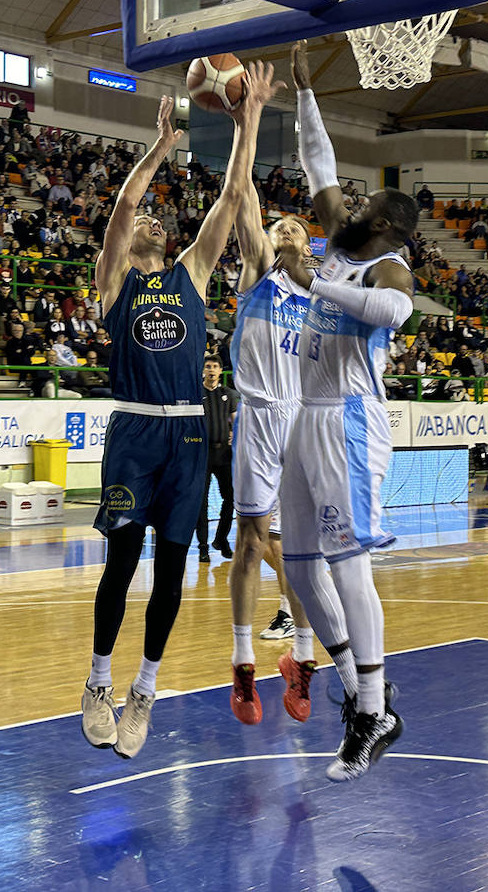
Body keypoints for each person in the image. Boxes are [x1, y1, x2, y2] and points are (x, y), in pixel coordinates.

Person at [81, 75, 277, 761]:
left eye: (158, 219)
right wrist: (161, 144)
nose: (151, 218)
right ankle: (98, 679)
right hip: (134, 429)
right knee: (122, 559)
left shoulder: (192, 272)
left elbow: (230, 198)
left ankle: (144, 688)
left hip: (190, 431)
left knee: (170, 568)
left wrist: (248, 118)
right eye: (143, 221)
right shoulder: (115, 281)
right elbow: (126, 200)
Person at [270, 41, 410, 781]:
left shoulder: (386, 265)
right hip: (304, 413)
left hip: (352, 419)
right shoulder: (336, 232)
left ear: (391, 228)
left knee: (349, 561)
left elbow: (392, 311)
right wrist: (305, 92)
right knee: (298, 564)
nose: (357, 206)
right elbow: (319, 162)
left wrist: (313, 285)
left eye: (373, 208)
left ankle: (375, 706)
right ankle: (361, 690)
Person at [222, 192, 319, 725]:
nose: (285, 231)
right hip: (260, 417)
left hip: (304, 420)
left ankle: (302, 659)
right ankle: (242, 665)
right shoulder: (259, 274)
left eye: (295, 229)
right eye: (277, 226)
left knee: (302, 550)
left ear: (310, 245)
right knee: (251, 542)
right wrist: (249, 119)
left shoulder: (322, 294)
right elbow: (243, 206)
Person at [197, 357, 237, 563]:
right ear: (203, 370)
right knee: (201, 502)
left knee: (231, 497)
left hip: (224, 455)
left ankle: (221, 539)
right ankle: (202, 546)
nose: (211, 370)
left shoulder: (228, 395)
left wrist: (236, 438)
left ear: (221, 371)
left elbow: (236, 421)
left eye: (215, 367)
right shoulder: (196, 394)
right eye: (208, 366)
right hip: (202, 455)